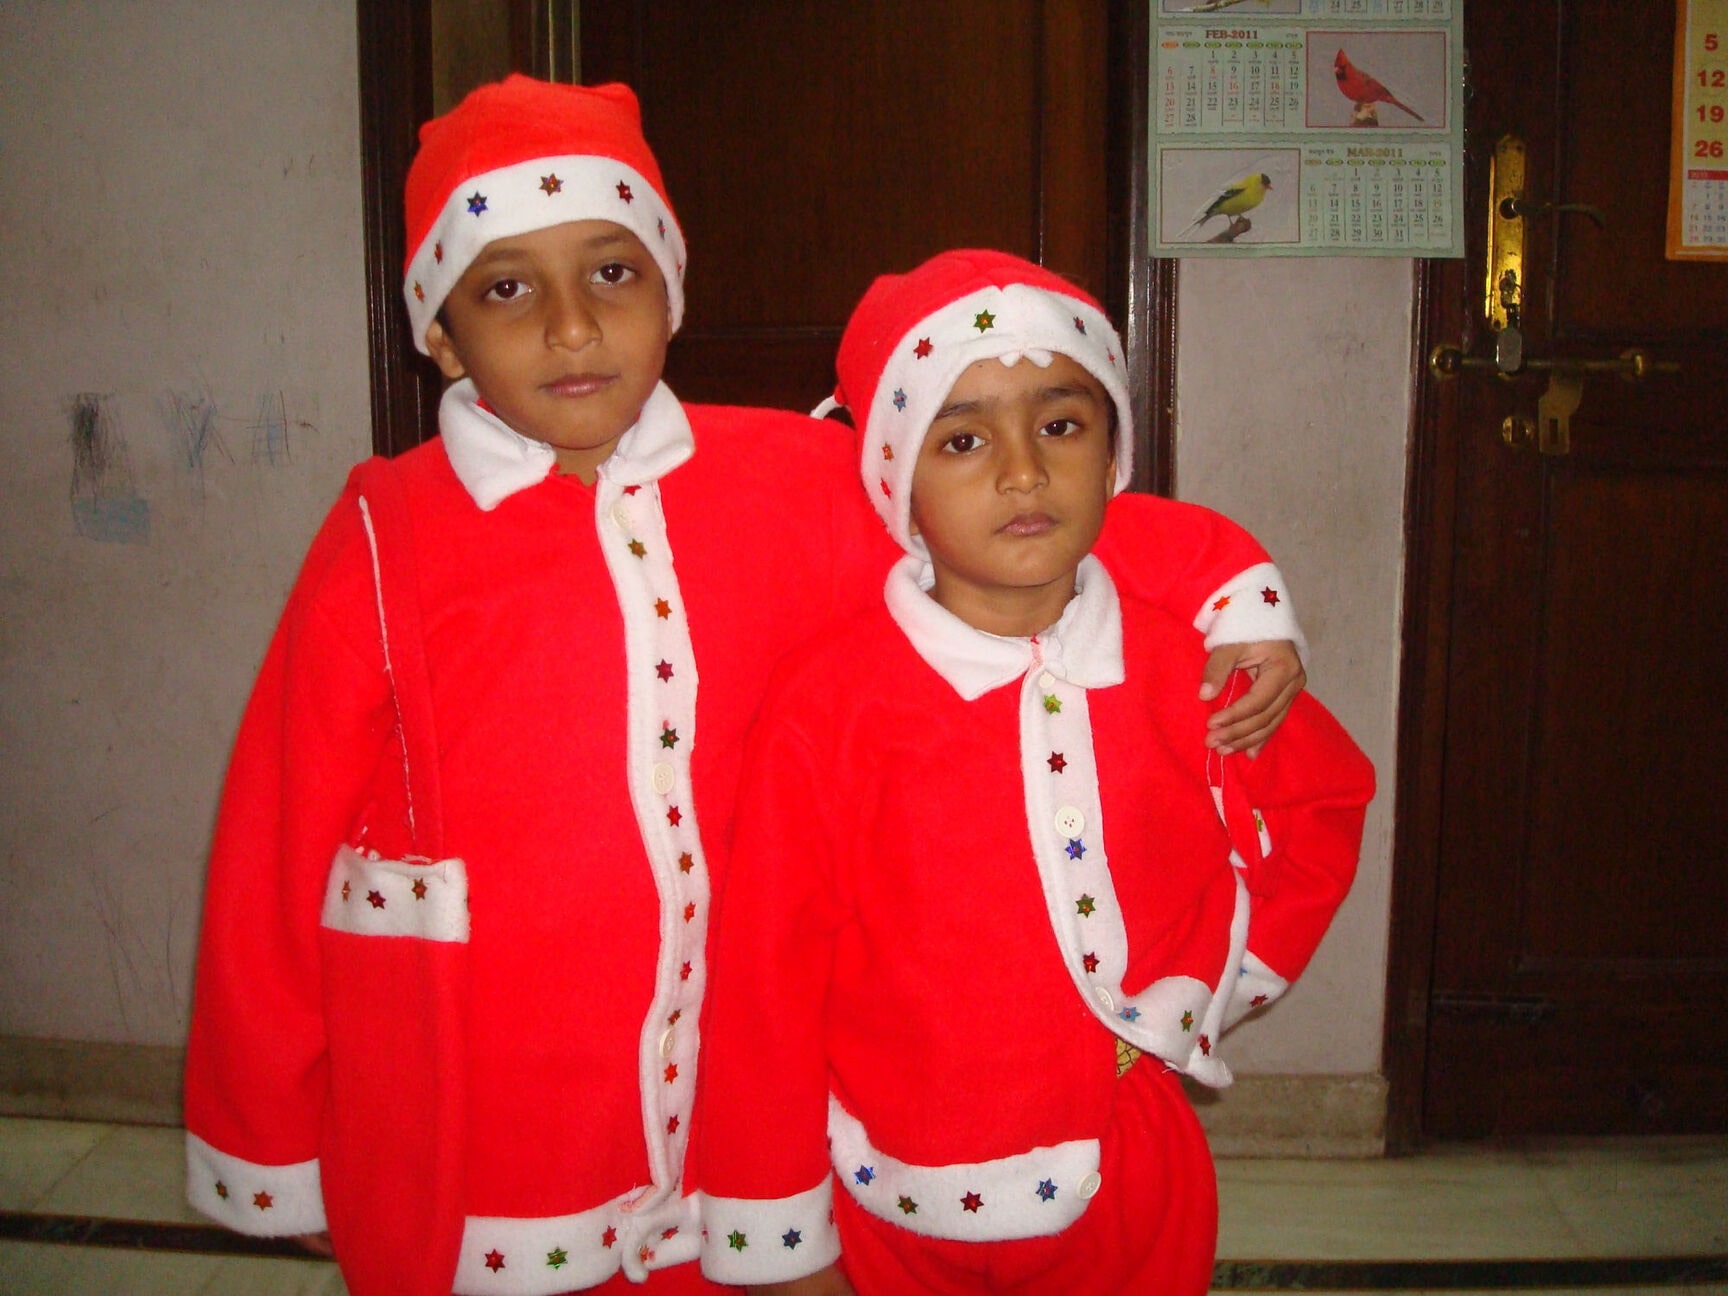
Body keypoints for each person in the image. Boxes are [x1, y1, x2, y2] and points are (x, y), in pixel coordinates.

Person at [181, 79, 1309, 1296]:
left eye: (612, 273)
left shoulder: (797, 477)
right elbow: (273, 844)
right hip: (491, 1108)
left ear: (671, 290)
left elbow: (1013, 524)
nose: (572, 327)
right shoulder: (386, 531)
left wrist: (1229, 590)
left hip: (746, 1094)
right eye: (507, 289)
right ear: (442, 333)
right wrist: (271, 1139)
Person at [693, 250, 1375, 1296]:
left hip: (1134, 1185)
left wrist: (1213, 982)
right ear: (898, 481)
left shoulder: (1185, 669)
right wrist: (780, 1234)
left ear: (1112, 456)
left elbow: (1322, 800)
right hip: (891, 1205)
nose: (1022, 472)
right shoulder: (826, 706)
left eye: (1060, 425)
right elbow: (765, 985)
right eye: (963, 440)